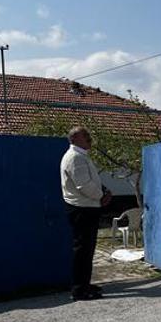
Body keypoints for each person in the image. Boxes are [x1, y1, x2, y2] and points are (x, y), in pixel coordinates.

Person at [60, 126, 112, 301]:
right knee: (83, 249)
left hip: (86, 207)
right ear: (74, 139)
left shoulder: (80, 156)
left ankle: (84, 283)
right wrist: (101, 196)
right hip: (82, 208)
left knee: (86, 249)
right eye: (86, 136)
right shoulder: (75, 157)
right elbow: (84, 185)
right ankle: (79, 289)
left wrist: (103, 190)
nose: (89, 138)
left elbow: (91, 180)